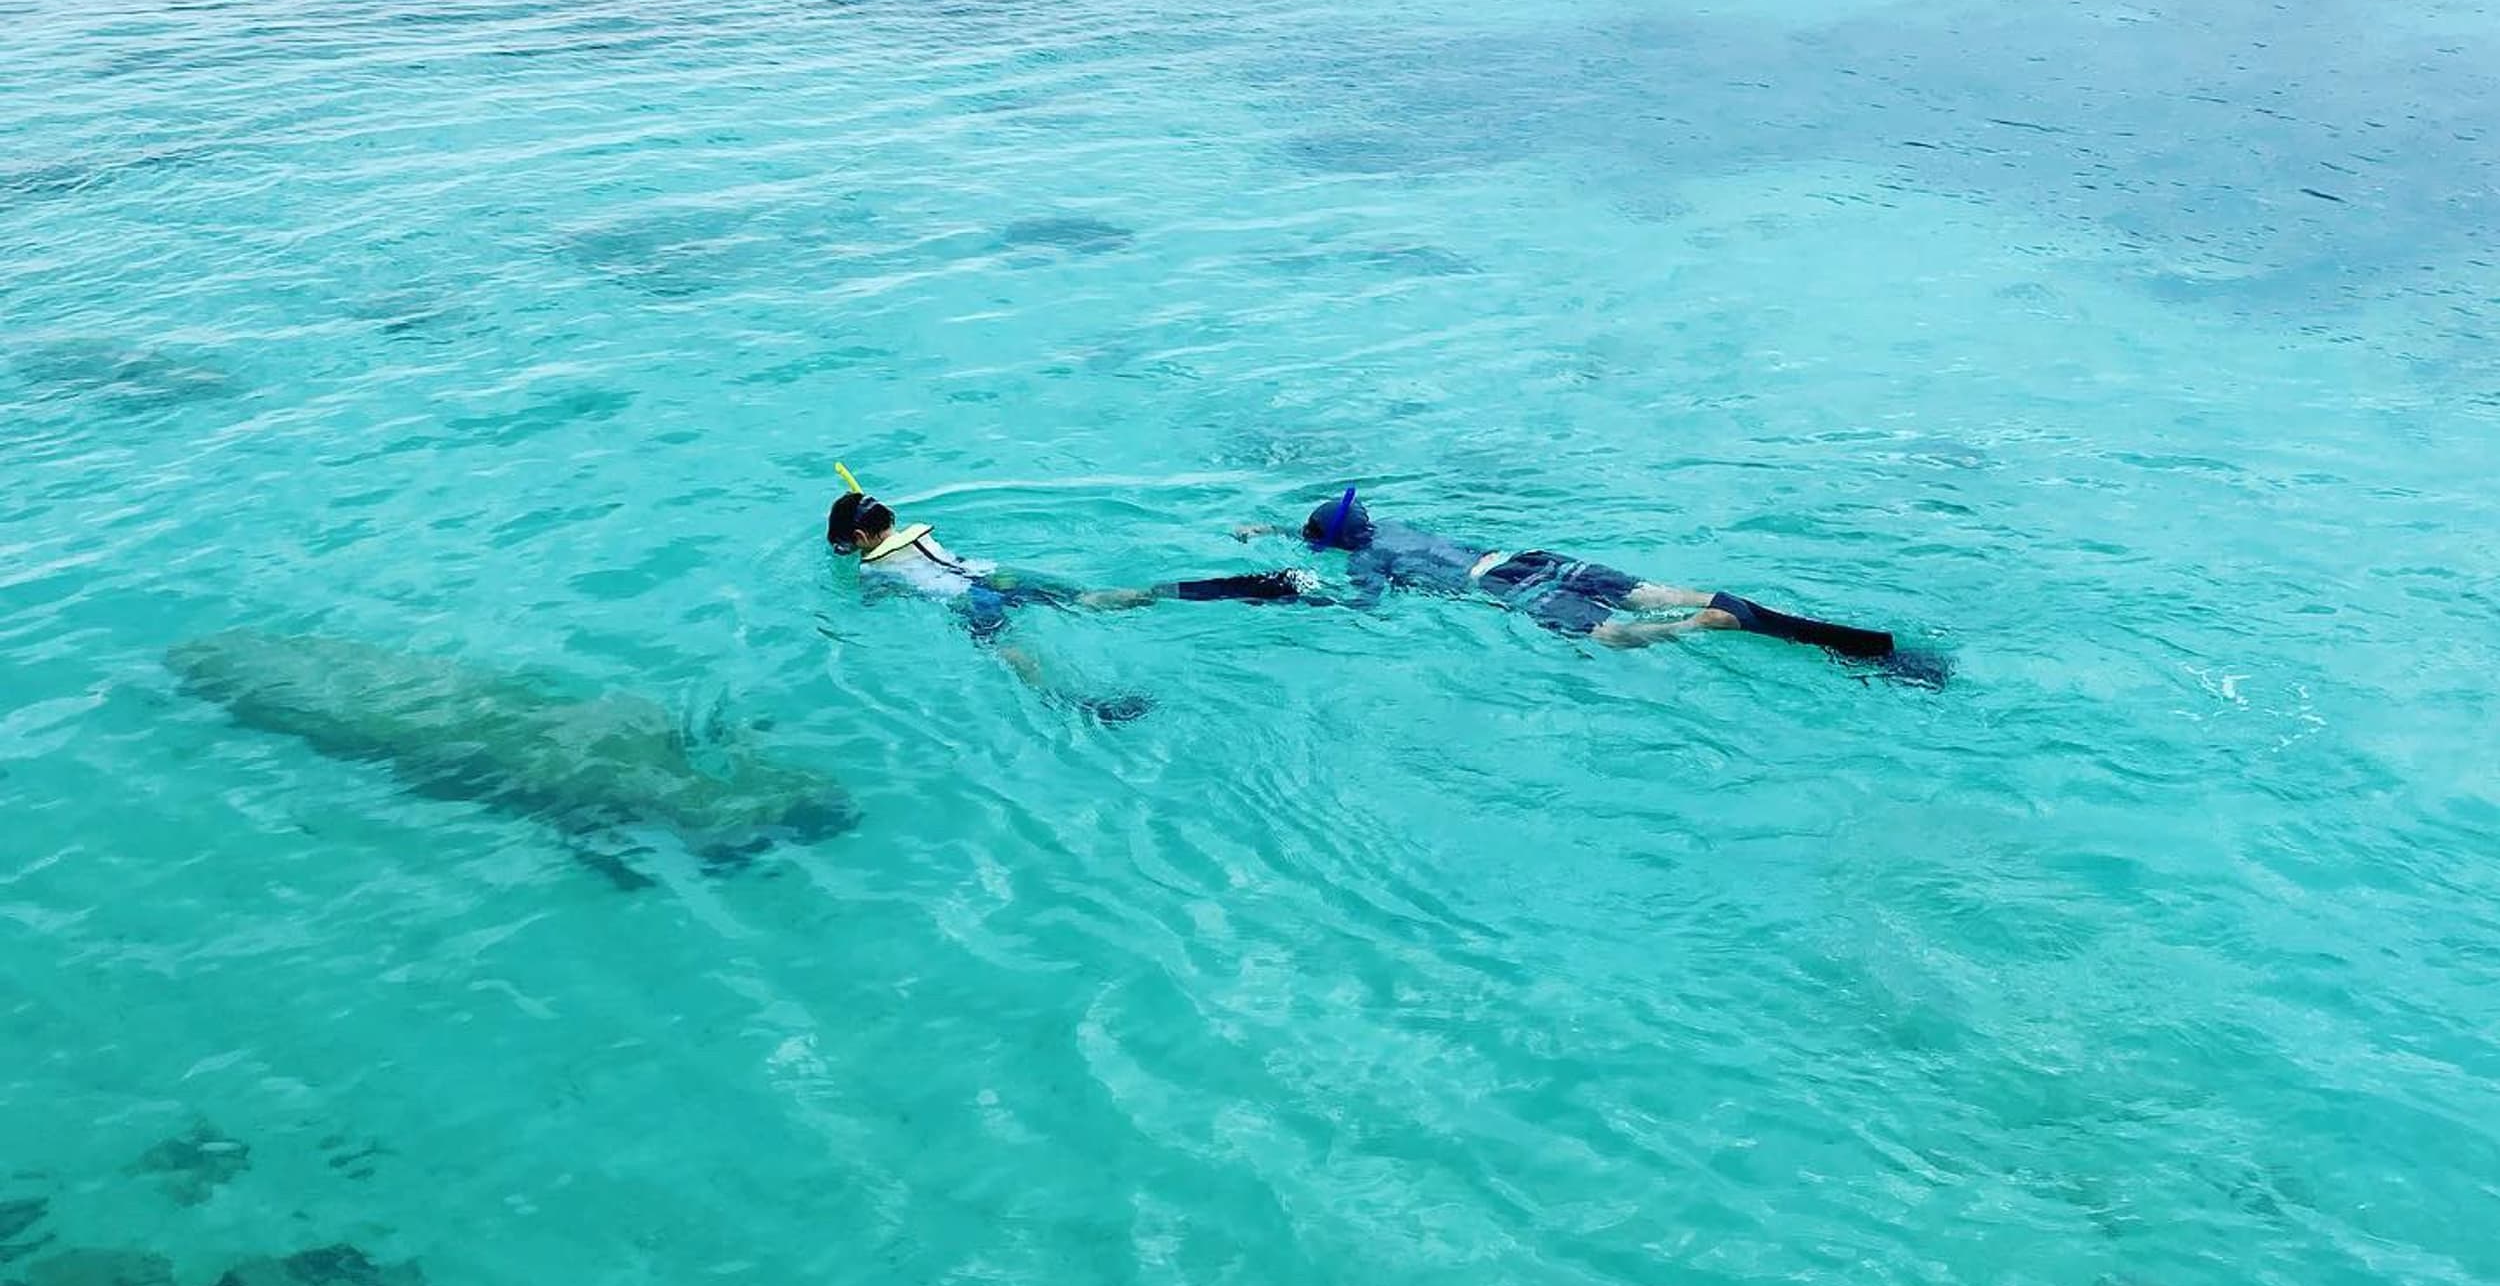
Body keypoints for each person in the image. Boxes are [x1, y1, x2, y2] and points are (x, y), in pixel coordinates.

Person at [1256, 487, 1946, 682]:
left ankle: (1705, 624)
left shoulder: (1365, 563)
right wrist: (1267, 529)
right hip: (1526, 557)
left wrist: (1312, 598)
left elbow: (1368, 607)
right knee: (1652, 592)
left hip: (1505, 591)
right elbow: (1339, 528)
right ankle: (1701, 602)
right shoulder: (1393, 527)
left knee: (1610, 636)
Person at [825, 470, 1304, 718]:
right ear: (890, 519)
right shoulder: (918, 533)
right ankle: (1201, 591)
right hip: (999, 575)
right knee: (1093, 598)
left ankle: (1077, 699)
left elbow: (874, 596)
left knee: (1009, 651)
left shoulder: (872, 569)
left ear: (861, 538)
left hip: (969, 600)